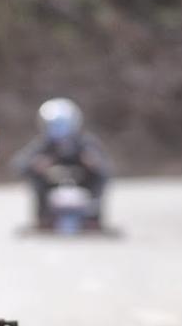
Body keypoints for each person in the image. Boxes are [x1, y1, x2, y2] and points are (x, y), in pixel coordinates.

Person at [11, 98, 112, 228]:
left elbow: (107, 167)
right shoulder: (43, 145)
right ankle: (44, 217)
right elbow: (19, 165)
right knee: (35, 177)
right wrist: (35, 165)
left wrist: (94, 163)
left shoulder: (84, 143)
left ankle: (92, 217)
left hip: (82, 185)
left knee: (100, 176)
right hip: (52, 187)